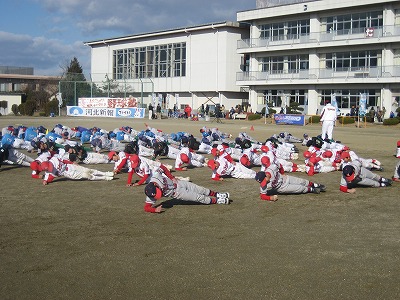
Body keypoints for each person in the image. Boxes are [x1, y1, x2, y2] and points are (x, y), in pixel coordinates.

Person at [143, 169, 230, 213]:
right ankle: (217, 201)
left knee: (200, 189)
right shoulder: (151, 195)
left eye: (158, 191)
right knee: (198, 197)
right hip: (178, 193)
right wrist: (154, 210)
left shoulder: (156, 176)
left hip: (179, 183)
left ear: (155, 184)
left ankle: (217, 194)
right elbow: (146, 207)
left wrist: (171, 177)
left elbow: (162, 168)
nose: (159, 194)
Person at [254, 165, 326, 201]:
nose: (264, 183)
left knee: (302, 181)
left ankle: (315, 185)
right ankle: (312, 190)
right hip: (282, 188)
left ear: (266, 175)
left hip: (285, 178)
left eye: (264, 181)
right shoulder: (263, 185)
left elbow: (279, 165)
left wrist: (282, 173)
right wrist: (271, 198)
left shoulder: (271, 168)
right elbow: (262, 195)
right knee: (299, 188)